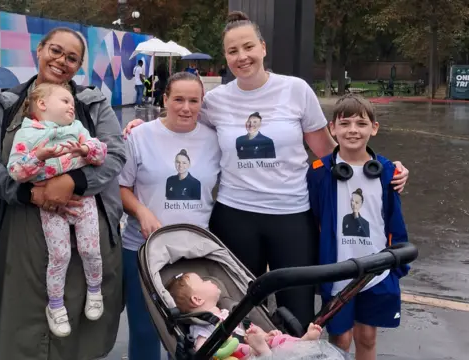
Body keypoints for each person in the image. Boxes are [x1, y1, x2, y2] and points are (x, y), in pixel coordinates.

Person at [123, 11, 410, 330]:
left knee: (298, 313)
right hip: (235, 215)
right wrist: (144, 127)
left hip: (292, 215)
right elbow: (182, 122)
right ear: (226, 57)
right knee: (237, 312)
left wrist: (383, 170)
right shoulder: (215, 101)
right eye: (232, 51)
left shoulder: (296, 90)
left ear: (262, 48)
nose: (241, 57)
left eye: (248, 47)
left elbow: (331, 152)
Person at [0, 27, 126, 360]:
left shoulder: (91, 104)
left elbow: (116, 154)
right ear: (40, 49)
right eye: (56, 51)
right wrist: (28, 195)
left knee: (77, 326)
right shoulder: (5, 105)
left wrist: (73, 182)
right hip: (22, 231)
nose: (62, 61)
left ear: (79, 66)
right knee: (24, 321)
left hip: (81, 225)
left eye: (72, 58)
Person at [119, 71, 221, 360]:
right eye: (178, 99)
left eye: (193, 100)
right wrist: (141, 210)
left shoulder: (215, 140)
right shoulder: (138, 136)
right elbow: (121, 187)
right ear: (164, 99)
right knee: (145, 330)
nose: (186, 108)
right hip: (143, 249)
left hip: (193, 252)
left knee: (197, 333)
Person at [307, 95, 409, 360]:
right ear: (333, 128)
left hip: (376, 271)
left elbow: (394, 222)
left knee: (367, 336)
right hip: (338, 270)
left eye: (361, 123)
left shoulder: (387, 172)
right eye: (345, 123)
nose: (353, 130)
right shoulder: (319, 172)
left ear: (374, 128)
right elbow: (311, 219)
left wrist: (397, 266)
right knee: (339, 338)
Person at [6, 83, 108, 337]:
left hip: (83, 201)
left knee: (90, 249)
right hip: (49, 206)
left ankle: (95, 290)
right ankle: (55, 305)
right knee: (59, 256)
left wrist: (86, 150)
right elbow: (16, 172)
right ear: (42, 105)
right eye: (65, 101)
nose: (71, 105)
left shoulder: (77, 128)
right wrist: (38, 156)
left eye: (71, 102)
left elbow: (102, 153)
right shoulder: (26, 134)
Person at [166, 272, 323, 357]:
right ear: (197, 299)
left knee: (279, 339)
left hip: (258, 345)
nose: (209, 281)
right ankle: (263, 352)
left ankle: (303, 343)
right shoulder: (200, 326)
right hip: (241, 355)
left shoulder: (229, 312)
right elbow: (202, 349)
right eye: (203, 281)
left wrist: (266, 335)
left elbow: (250, 329)